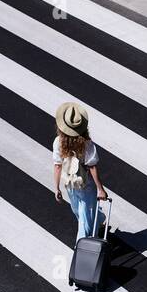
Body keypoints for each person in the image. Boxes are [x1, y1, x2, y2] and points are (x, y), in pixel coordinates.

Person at [52, 101, 107, 241]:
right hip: (83, 183)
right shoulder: (87, 143)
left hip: (70, 183)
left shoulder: (59, 142)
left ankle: (82, 245)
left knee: (83, 217)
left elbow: (58, 166)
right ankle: (98, 218)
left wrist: (57, 188)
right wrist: (100, 189)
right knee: (79, 210)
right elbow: (92, 166)